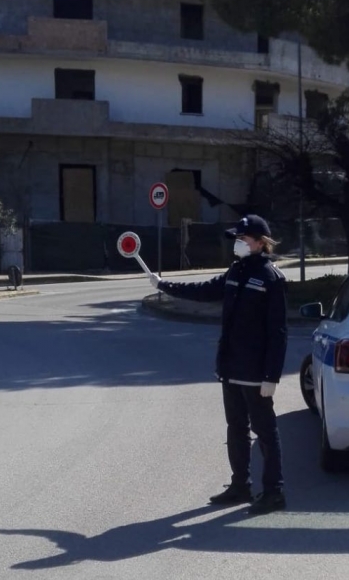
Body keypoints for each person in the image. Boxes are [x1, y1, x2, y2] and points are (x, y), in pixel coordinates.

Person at [148, 214, 288, 515]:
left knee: (265, 431)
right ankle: (241, 486)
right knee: (236, 427)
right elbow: (204, 290)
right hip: (231, 365)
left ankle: (274, 491)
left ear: (260, 243)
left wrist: (271, 375)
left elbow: (278, 332)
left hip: (255, 370)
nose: (237, 243)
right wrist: (165, 285)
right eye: (236, 238)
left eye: (242, 238)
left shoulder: (270, 278)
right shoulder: (236, 271)